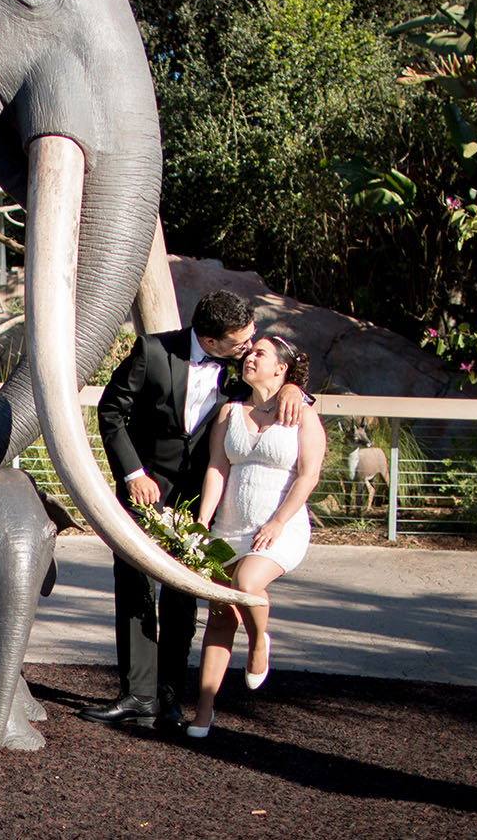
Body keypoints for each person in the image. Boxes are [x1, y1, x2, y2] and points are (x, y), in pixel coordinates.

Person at [82, 290, 305, 730]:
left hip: (202, 498)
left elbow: (280, 385)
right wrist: (133, 474)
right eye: (242, 340)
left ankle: (168, 696)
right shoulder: (152, 351)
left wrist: (296, 385)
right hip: (145, 491)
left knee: (183, 594)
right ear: (212, 337)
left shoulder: (244, 369)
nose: (250, 346)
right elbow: (111, 412)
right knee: (135, 588)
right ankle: (136, 695)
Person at [184, 335, 323, 739]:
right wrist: (202, 523)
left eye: (260, 354)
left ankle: (260, 639)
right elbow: (217, 468)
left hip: (280, 527)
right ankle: (204, 712)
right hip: (229, 527)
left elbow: (308, 474)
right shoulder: (230, 411)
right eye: (250, 353)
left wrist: (278, 522)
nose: (250, 357)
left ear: (281, 368)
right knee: (220, 614)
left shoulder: (302, 413)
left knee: (245, 583)